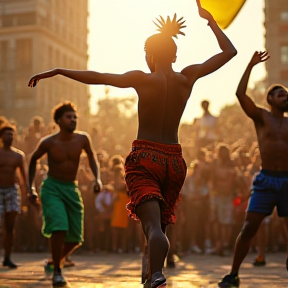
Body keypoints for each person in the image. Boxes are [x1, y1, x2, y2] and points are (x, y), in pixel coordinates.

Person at [28, 1, 237, 286]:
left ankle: (157, 274)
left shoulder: (143, 80)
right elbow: (229, 52)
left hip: (146, 157)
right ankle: (153, 275)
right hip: (175, 161)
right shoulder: (187, 77)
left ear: (150, 55)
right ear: (174, 54)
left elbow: (99, 77)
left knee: (152, 227)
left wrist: (59, 71)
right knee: (160, 226)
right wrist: (210, 21)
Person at [217, 51, 288, 288]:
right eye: (280, 94)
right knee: (249, 228)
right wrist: (250, 65)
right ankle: (233, 274)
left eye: (287, 94)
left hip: (287, 180)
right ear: (270, 100)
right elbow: (240, 94)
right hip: (266, 181)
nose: (285, 97)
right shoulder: (261, 118)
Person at [28, 102, 102, 287]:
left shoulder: (82, 139)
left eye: (75, 117)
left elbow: (92, 157)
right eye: (69, 117)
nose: (73, 120)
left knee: (76, 238)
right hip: (52, 188)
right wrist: (31, 188)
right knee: (59, 226)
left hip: (71, 188)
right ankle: (58, 272)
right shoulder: (48, 142)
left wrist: (97, 179)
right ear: (59, 121)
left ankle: (53, 261)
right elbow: (32, 160)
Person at [0, 124, 30, 268]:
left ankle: (7, 257)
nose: (10, 137)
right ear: (1, 137)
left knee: (10, 226)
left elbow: (24, 178)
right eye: (7, 134)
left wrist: (26, 196)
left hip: (12, 190)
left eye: (12, 134)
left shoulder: (18, 155)